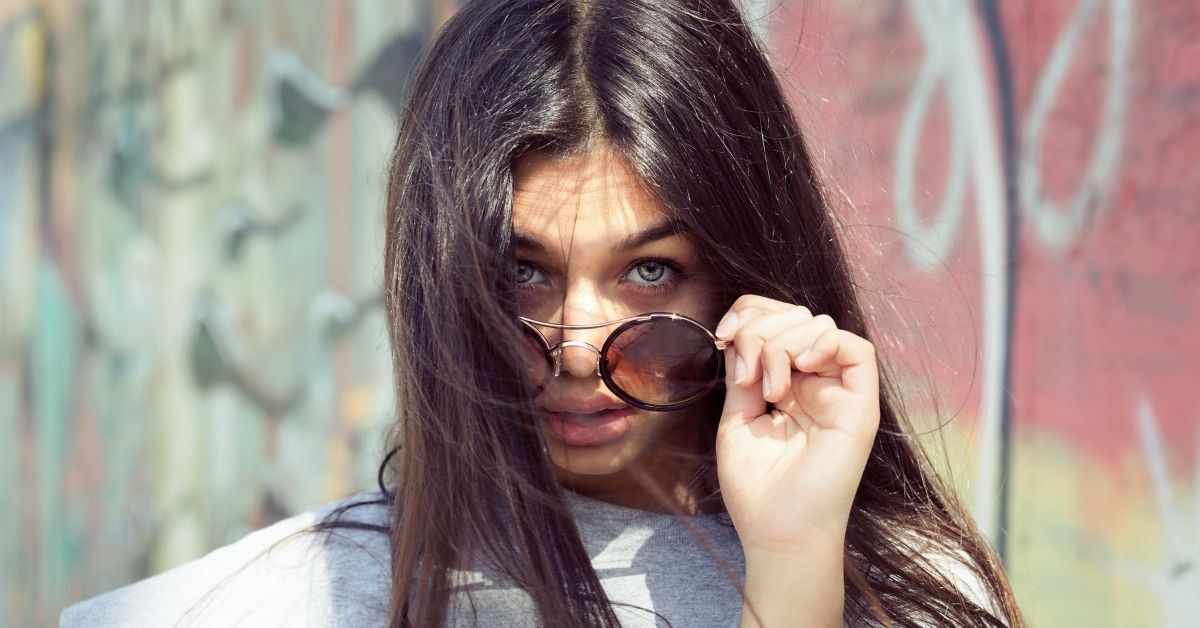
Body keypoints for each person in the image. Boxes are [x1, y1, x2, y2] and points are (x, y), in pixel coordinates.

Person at [61, 0, 1024, 626]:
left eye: (650, 273)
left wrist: (793, 560)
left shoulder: (913, 595)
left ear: (740, 275)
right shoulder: (304, 597)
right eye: (524, 270)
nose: (577, 345)